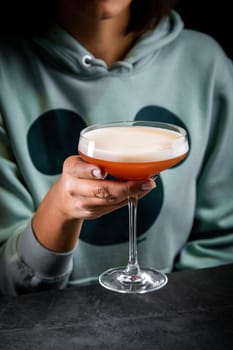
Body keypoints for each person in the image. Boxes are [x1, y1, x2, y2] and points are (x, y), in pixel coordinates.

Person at [0, 0, 233, 296]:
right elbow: (6, 285)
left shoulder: (205, 64)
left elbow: (223, 241)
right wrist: (62, 209)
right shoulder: (6, 73)